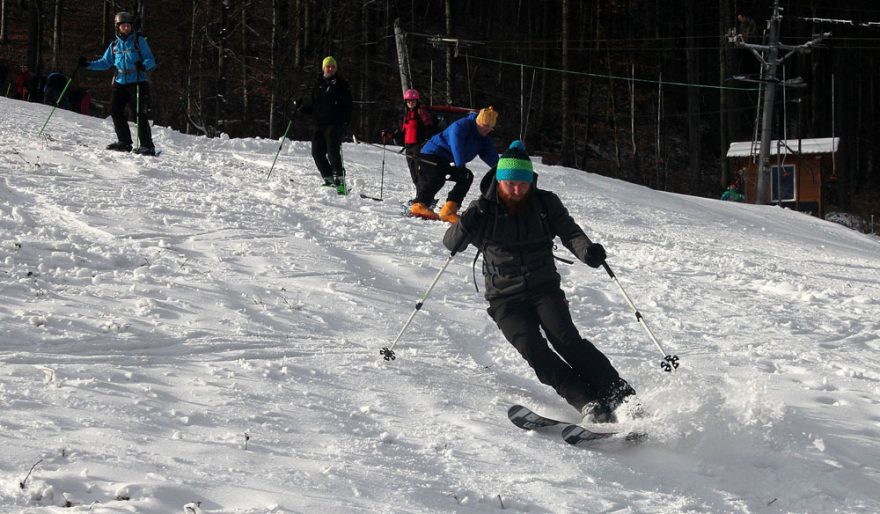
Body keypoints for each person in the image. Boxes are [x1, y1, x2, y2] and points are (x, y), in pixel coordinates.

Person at [443, 140, 636, 423]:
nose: (518, 190)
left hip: (543, 288)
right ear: (499, 180)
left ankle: (621, 396)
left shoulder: (545, 203)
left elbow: (570, 233)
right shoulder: (482, 210)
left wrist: (588, 251)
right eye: (511, 184)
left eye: (523, 183)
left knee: (568, 342)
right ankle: (587, 402)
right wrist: (470, 218)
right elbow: (451, 244)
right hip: (504, 299)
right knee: (536, 352)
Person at [79, 11, 157, 155]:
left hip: (137, 81)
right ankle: (124, 142)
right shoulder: (114, 45)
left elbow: (150, 59)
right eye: (123, 26)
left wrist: (143, 65)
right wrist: (87, 64)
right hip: (120, 82)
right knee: (115, 110)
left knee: (139, 113)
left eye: (128, 25)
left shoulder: (139, 41)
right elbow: (105, 63)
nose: (126, 28)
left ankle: (147, 146)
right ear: (118, 27)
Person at [410, 106, 500, 223]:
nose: (487, 130)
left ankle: (449, 209)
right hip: (431, 154)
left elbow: (492, 156)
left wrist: (502, 169)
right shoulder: (462, 125)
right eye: (485, 126)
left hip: (448, 160)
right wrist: (460, 163)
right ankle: (419, 205)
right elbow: (456, 145)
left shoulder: (483, 139)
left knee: (466, 177)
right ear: (478, 122)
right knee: (437, 177)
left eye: (490, 128)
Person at [298, 56, 353, 194]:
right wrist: (301, 108)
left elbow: (348, 106)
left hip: (334, 124)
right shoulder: (318, 85)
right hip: (319, 124)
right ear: (323, 68)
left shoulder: (341, 84)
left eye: (333, 67)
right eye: (328, 66)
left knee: (333, 153)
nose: (330, 69)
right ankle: (328, 179)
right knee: (316, 152)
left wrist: (345, 123)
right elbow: (314, 107)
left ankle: (339, 181)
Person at [381, 88, 435, 200]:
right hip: (409, 147)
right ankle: (420, 197)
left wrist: (426, 141)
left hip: (418, 147)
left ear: (417, 101)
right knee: (414, 176)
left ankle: (423, 198)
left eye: (413, 101)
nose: (411, 103)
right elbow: (403, 133)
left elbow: (430, 128)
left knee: (420, 174)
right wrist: (390, 135)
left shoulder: (421, 113)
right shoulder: (406, 116)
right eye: (408, 101)